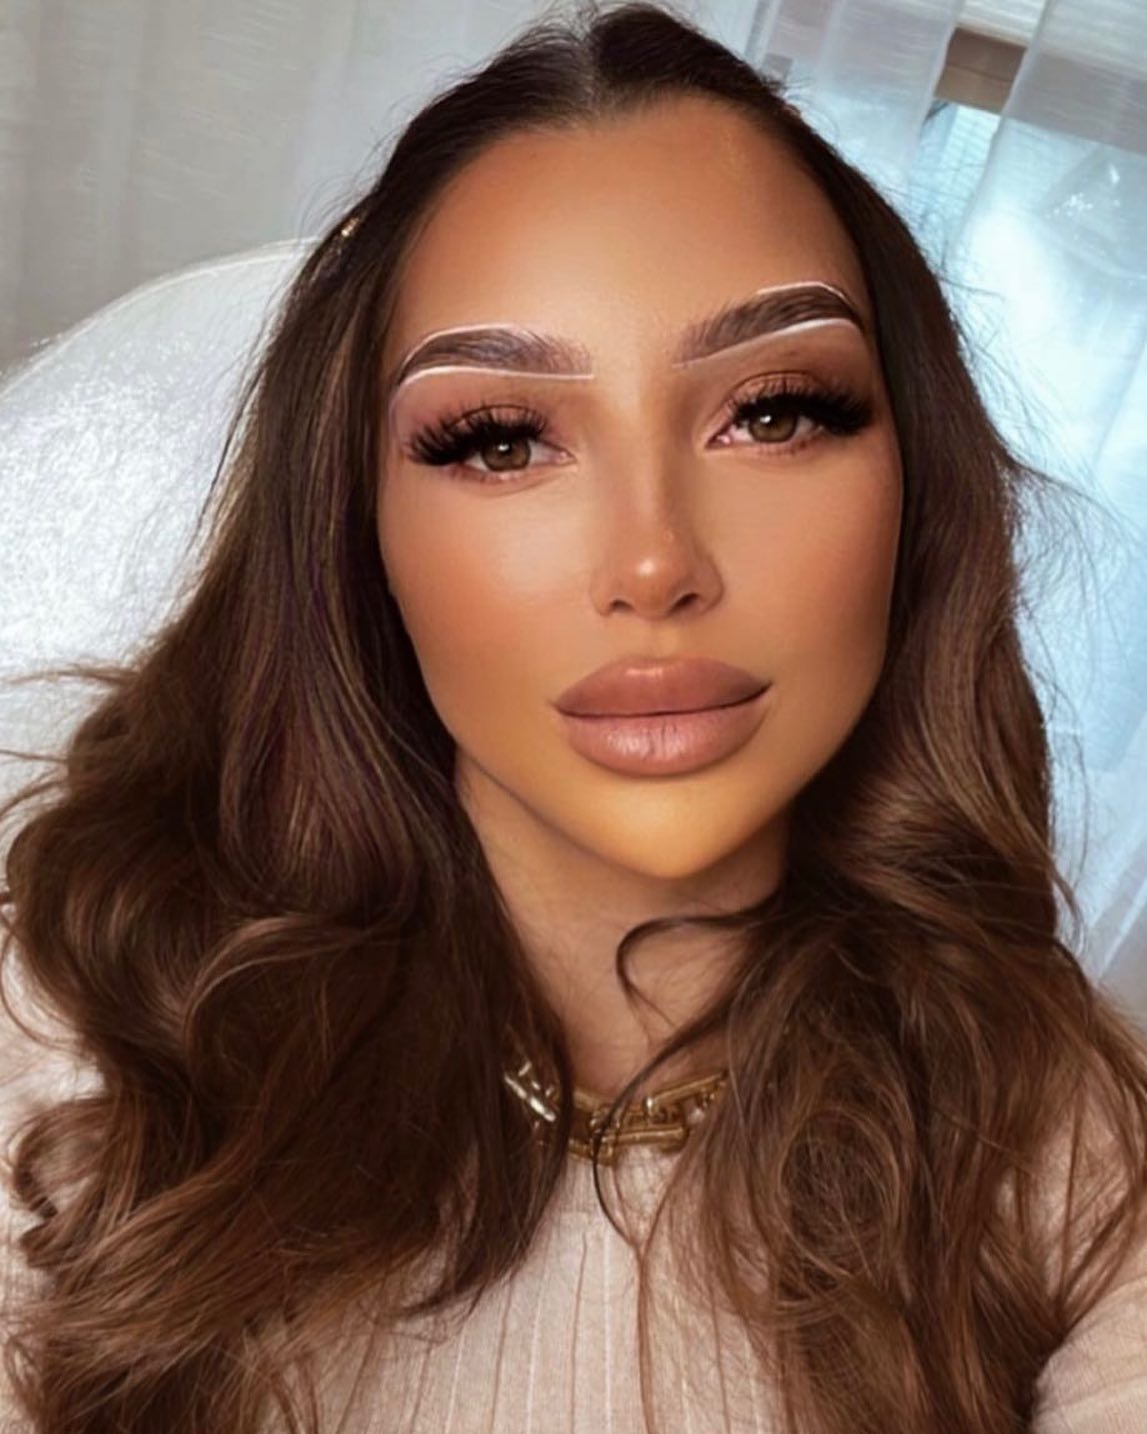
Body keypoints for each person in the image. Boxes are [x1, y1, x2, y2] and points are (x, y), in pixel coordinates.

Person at [2, 2, 1146, 1430]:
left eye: (776, 411)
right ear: (355, 525)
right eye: (500, 439)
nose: (655, 564)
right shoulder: (75, 1032)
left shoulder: (1079, 1157)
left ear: (918, 495)